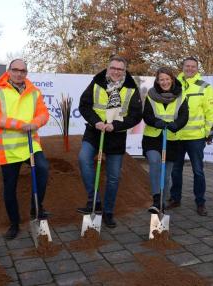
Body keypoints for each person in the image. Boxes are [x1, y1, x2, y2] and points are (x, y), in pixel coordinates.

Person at [0, 59, 50, 240]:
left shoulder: (34, 92)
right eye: (15, 70)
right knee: (9, 187)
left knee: (43, 169)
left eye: (23, 70)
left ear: (26, 73)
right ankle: (14, 224)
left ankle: (35, 208)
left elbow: (43, 114)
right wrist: (20, 125)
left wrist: (35, 123)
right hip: (9, 148)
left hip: (31, 144)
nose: (19, 73)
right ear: (8, 71)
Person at [77, 55, 142, 228]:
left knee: (113, 177)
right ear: (108, 68)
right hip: (94, 132)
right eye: (113, 68)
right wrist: (96, 122)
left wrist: (117, 125)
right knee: (84, 159)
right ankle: (94, 200)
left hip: (116, 136)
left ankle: (108, 211)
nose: (116, 72)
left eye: (120, 69)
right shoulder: (96, 82)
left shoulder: (131, 88)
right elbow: (84, 105)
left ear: (124, 71)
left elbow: (136, 116)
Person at [168, 57, 213, 216]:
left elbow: (210, 112)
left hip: (196, 137)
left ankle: (200, 202)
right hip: (177, 135)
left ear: (197, 68)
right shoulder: (174, 85)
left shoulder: (205, 86)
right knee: (175, 170)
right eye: (187, 66)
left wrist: (208, 132)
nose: (189, 69)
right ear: (182, 67)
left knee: (198, 171)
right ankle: (175, 199)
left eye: (193, 66)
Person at [142, 67, 188, 213]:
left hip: (172, 138)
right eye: (161, 79)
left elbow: (184, 116)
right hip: (153, 137)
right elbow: (147, 115)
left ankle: (161, 204)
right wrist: (156, 122)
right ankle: (156, 199)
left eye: (167, 79)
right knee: (155, 162)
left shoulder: (181, 96)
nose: (164, 82)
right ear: (157, 80)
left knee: (166, 175)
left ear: (172, 79)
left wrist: (176, 125)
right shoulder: (150, 95)